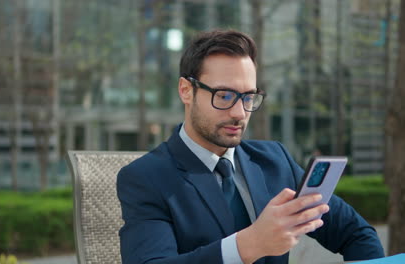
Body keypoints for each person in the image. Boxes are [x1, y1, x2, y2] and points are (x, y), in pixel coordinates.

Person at [116, 29, 384, 264]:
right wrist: (249, 245)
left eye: (248, 97)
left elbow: (357, 234)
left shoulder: (274, 161)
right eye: (225, 96)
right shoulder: (145, 178)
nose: (239, 113)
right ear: (186, 90)